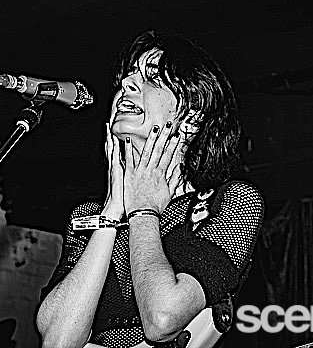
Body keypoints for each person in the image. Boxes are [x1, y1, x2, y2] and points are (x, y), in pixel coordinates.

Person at [36, 30, 264, 348]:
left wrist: (143, 210)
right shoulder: (88, 215)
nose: (127, 84)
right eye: (128, 76)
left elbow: (163, 319)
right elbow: (58, 341)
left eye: (152, 77)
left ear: (193, 117)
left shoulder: (230, 202)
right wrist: (112, 213)